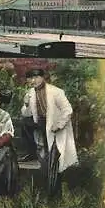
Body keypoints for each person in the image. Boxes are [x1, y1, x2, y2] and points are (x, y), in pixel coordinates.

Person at [21, 68, 78, 199]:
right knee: (43, 159)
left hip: (54, 128)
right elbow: (26, 113)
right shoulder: (30, 93)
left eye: (36, 77)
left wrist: (59, 125)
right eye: (31, 78)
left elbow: (68, 110)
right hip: (41, 126)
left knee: (54, 161)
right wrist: (26, 104)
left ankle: (54, 194)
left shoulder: (56, 92)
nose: (33, 81)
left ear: (43, 77)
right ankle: (32, 153)